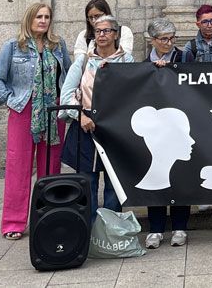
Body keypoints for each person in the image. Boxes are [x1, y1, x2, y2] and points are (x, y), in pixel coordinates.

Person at [0, 2, 73, 240]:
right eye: (39, 17)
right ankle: (14, 223)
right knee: (19, 166)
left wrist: (64, 100)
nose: (43, 21)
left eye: (47, 17)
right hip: (24, 109)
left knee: (50, 165)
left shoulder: (58, 46)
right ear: (29, 19)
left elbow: (67, 75)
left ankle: (46, 217)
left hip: (52, 110)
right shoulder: (14, 47)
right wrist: (11, 100)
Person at [59, 15, 133, 219]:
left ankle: (111, 230)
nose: (102, 35)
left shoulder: (126, 60)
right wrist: (80, 115)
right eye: (98, 31)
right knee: (87, 182)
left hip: (115, 128)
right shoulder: (83, 61)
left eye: (107, 30)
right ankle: (90, 230)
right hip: (86, 126)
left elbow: (135, 92)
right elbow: (66, 95)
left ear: (116, 34)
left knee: (114, 182)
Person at [142, 18, 190, 248]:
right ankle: (156, 227)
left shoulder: (184, 58)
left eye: (172, 38)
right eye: (164, 39)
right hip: (157, 130)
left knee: (181, 175)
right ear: (152, 40)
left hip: (181, 125)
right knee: (157, 175)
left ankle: (180, 226)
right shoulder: (144, 63)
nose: (169, 43)